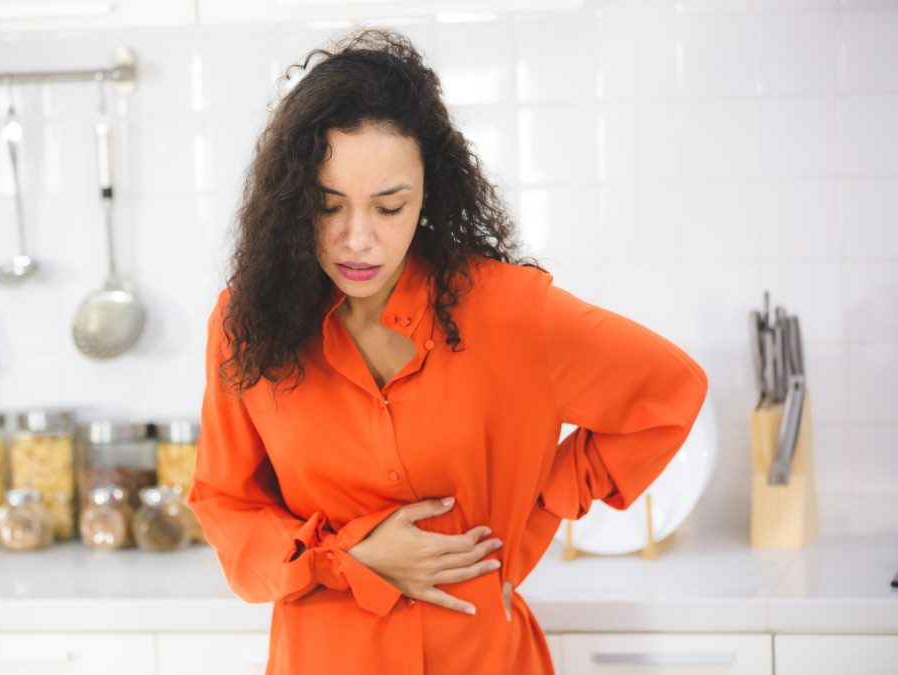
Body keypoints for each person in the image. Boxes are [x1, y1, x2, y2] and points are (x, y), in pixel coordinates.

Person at [186, 27, 708, 675]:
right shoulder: (246, 322)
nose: (357, 239)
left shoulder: (513, 310)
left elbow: (668, 391)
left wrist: (533, 513)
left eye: (389, 206)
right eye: (328, 206)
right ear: (294, 203)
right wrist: (347, 555)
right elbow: (224, 502)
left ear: (428, 192)